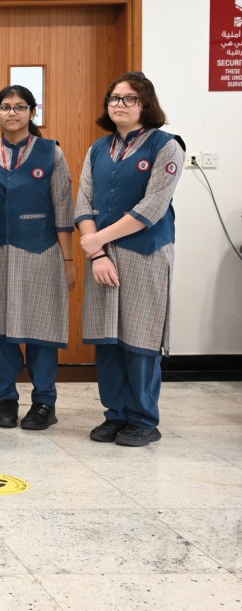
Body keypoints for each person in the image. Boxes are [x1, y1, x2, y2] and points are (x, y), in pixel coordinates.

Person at [75, 72, 183, 447]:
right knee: (108, 339)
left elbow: (153, 206)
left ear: (146, 104)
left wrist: (96, 241)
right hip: (103, 257)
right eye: (114, 98)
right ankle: (115, 415)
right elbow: (83, 202)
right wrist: (99, 253)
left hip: (146, 254)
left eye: (129, 99)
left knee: (140, 338)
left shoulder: (166, 147)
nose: (119, 105)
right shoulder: (97, 149)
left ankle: (142, 419)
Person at [0, 85, 76, 431]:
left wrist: (69, 262)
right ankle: (6, 401)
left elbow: (63, 207)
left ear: (32, 112)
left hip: (42, 253)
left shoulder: (51, 153)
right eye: (5, 106)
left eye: (20, 107)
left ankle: (44, 403)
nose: (12, 112)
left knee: (40, 332)